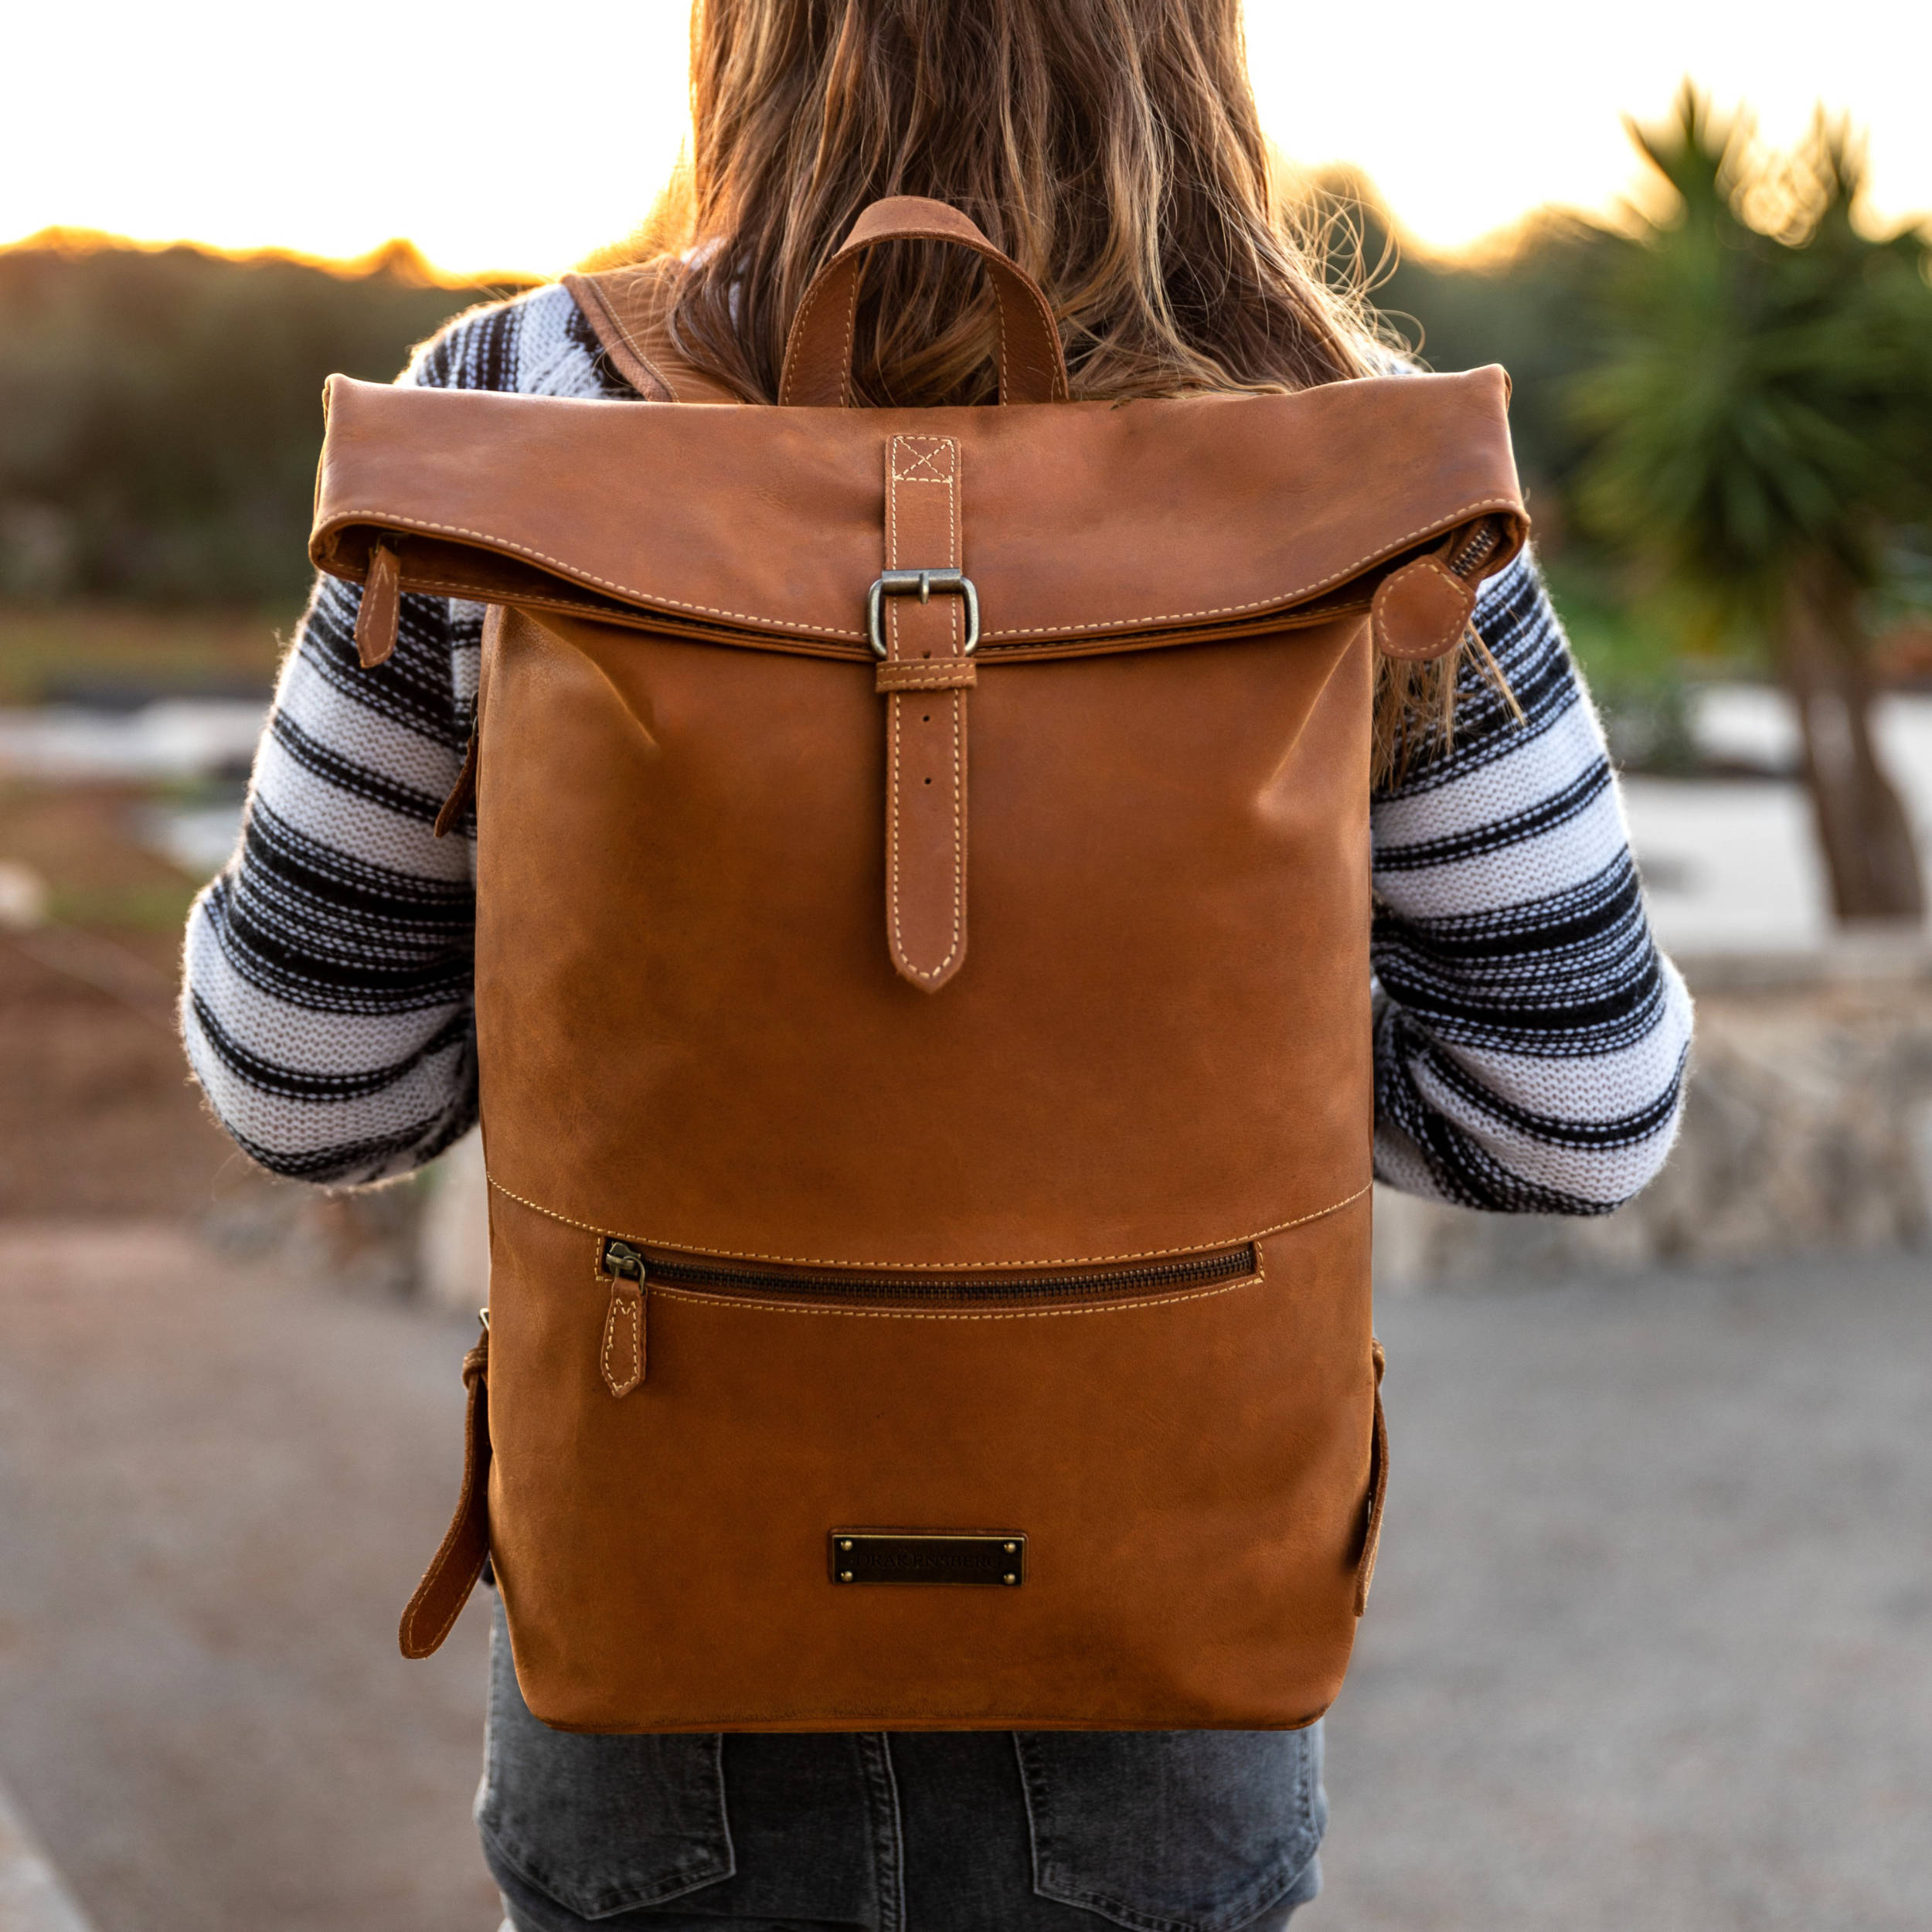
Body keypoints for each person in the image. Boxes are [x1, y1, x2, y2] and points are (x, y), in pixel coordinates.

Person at [182, 2, 1694, 1925]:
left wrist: (647, 1010)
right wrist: (1193, 1057)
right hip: (1163, 1661)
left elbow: (312, 1090)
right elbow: (1574, 1111)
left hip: (662, 1645)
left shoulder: (513, 408)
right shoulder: (1342, 452)